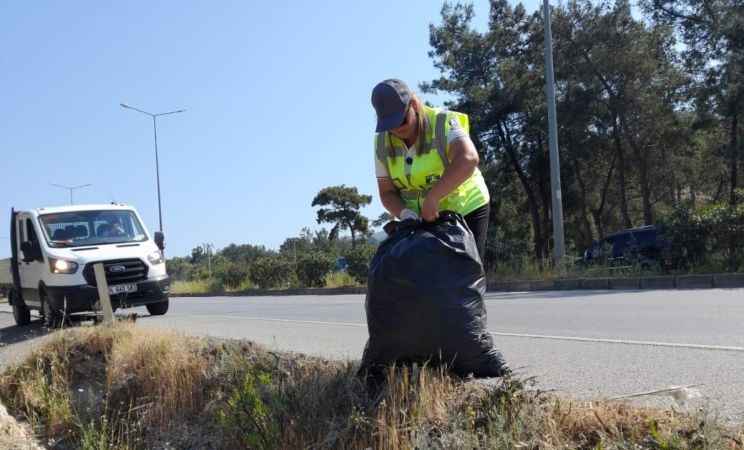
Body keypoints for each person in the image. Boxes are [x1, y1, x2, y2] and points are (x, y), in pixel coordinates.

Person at [371, 79, 491, 260]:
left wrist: (433, 198)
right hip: (421, 220)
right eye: (390, 125)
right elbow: (387, 192)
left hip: (465, 209)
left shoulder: (443, 122)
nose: (397, 129)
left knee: (461, 279)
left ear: (413, 104)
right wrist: (405, 213)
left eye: (402, 120)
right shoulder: (381, 142)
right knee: (425, 281)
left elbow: (468, 158)